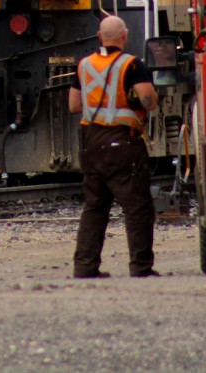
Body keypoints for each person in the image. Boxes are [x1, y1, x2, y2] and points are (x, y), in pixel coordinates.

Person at [69, 15, 160, 278]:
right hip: (122, 142)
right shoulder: (132, 65)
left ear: (99, 37)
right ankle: (141, 267)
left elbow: (74, 106)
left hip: (91, 142)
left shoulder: (84, 65)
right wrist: (150, 96)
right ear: (124, 36)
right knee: (137, 207)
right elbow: (146, 100)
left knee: (95, 206)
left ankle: (85, 267)